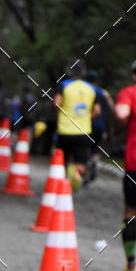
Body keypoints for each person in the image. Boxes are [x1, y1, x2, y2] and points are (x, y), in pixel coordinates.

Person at [53, 59, 100, 190]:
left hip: (65, 130)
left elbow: (56, 103)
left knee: (62, 160)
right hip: (83, 131)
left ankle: (61, 183)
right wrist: (86, 117)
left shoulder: (64, 85)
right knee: (81, 161)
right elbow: (97, 110)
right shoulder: (91, 88)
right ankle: (76, 178)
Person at [115, 61, 136, 271]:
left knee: (131, 212)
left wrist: (119, 125)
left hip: (134, 163)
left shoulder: (129, 93)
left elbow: (122, 113)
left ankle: (131, 264)